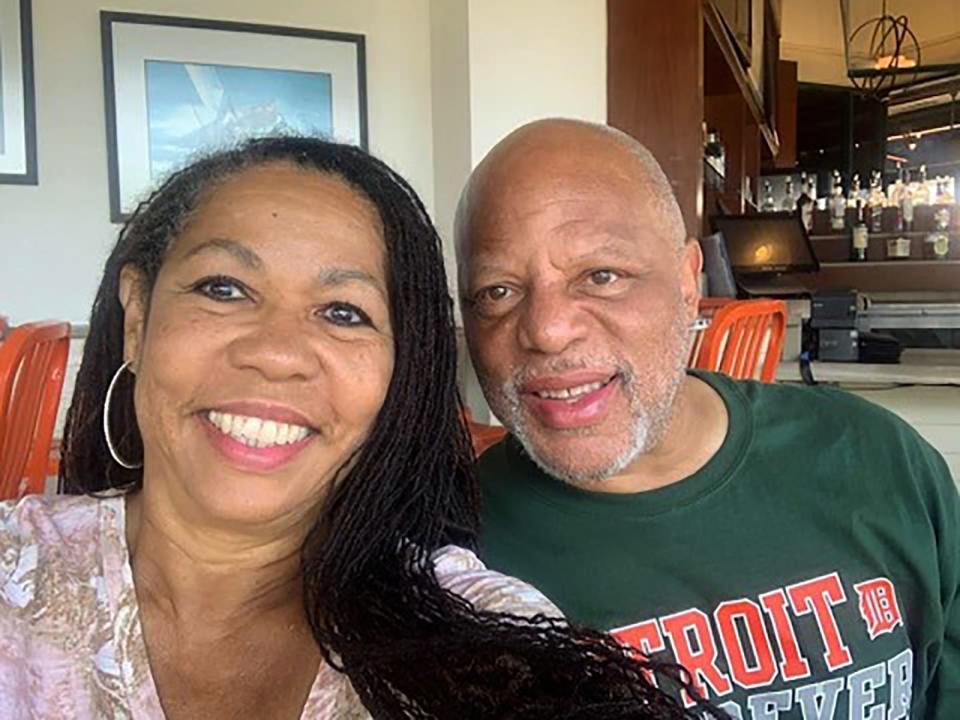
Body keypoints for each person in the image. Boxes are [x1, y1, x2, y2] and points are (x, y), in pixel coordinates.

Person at [0, 136, 714, 720]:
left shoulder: (474, 633)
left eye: (344, 311)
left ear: (397, 374)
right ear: (135, 320)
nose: (276, 353)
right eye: (224, 289)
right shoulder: (15, 574)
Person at [456, 119, 960, 719]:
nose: (545, 329)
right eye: (497, 292)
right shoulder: (452, 552)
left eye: (602, 276)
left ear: (688, 282)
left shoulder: (879, 460)